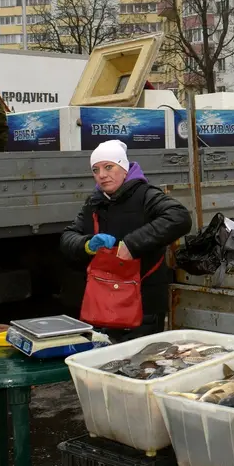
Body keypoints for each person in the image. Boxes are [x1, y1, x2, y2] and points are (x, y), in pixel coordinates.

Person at [61, 140, 192, 339]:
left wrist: (132, 244)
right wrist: (87, 245)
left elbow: (179, 217)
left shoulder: (146, 195)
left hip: (143, 305)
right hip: (105, 304)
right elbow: (67, 238)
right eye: (96, 170)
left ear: (123, 167)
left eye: (108, 167)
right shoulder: (94, 202)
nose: (102, 175)